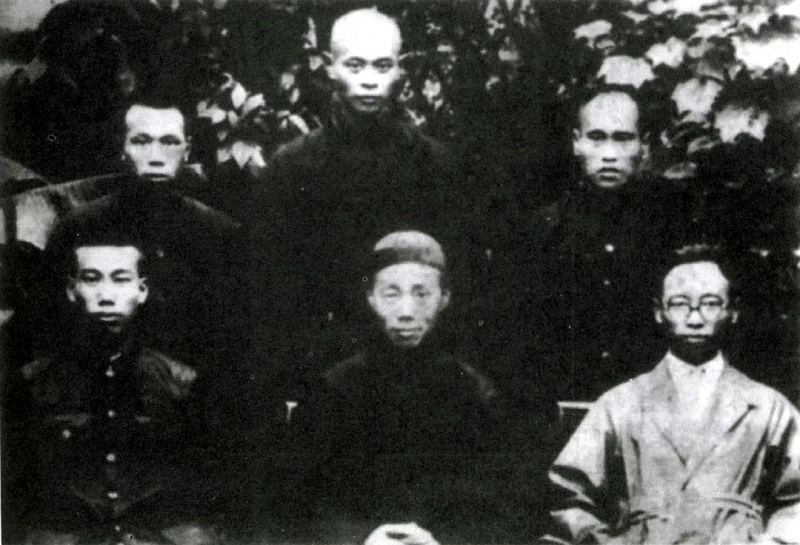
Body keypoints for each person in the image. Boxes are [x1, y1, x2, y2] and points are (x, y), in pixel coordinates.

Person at [252, 8, 468, 386]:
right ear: (329, 67)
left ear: (400, 69)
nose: (369, 80)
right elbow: (272, 285)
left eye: (382, 66)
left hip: (415, 360)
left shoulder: (435, 165)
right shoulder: (292, 167)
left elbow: (456, 277)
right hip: (319, 364)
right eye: (355, 65)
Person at [541, 244, 800, 545]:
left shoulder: (769, 408)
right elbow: (569, 497)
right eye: (679, 304)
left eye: (710, 303)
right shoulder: (620, 405)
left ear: (733, 311)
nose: (695, 319)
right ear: (659, 311)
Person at [4, 227, 223, 545]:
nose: (106, 295)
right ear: (72, 289)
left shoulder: (182, 384)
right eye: (92, 279)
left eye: (120, 279)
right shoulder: (32, 384)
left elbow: (206, 482)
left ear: (142, 290)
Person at [307, 231, 506, 542]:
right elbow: (306, 497)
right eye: (391, 294)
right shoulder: (335, 389)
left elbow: (495, 502)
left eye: (421, 294)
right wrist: (363, 538)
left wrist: (439, 540)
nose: (406, 312)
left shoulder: (475, 393)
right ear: (371, 298)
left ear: (444, 298)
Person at [503, 84, 680, 403]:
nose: (609, 154)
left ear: (642, 144)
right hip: (566, 400)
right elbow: (519, 334)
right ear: (577, 142)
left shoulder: (668, 228)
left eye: (623, 138)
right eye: (597, 137)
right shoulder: (544, 230)